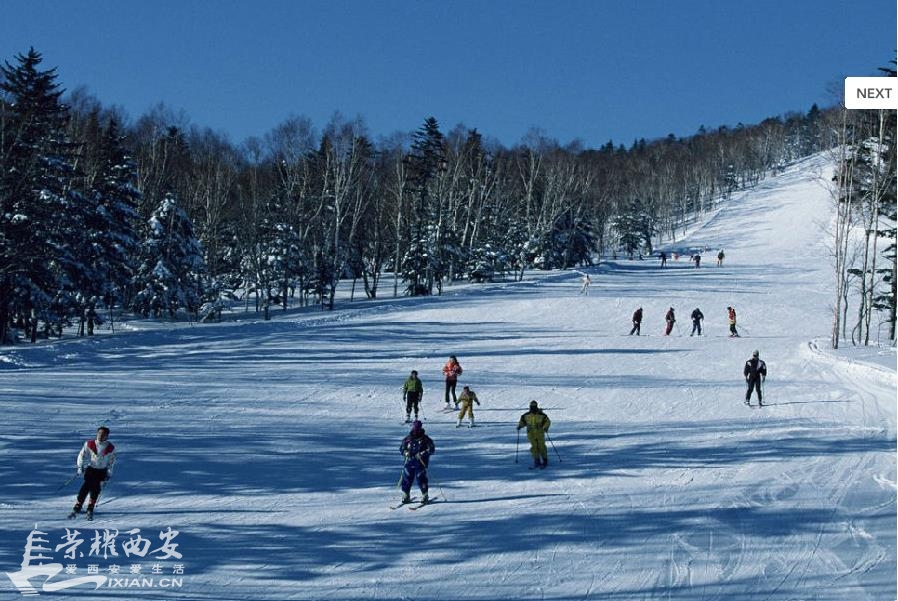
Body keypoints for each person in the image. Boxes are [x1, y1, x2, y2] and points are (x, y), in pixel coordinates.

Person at [68, 426, 116, 520]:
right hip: (91, 469)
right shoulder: (89, 444)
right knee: (86, 486)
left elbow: (111, 461)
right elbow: (81, 455)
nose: (100, 436)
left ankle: (90, 506)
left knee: (96, 488)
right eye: (99, 433)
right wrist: (80, 466)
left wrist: (109, 472)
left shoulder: (110, 447)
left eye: (103, 434)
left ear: (107, 436)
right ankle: (79, 504)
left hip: (102, 471)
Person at [399, 420, 436, 504]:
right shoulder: (408, 439)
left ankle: (424, 495)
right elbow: (402, 448)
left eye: (417, 429)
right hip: (409, 462)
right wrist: (405, 452)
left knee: (420, 478)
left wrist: (423, 453)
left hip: (421, 463)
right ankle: (405, 495)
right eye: (414, 429)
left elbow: (431, 449)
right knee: (407, 478)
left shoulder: (425, 439)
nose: (415, 431)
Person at [517, 400, 551, 468]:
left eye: (534, 406)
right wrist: (520, 426)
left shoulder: (542, 415)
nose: (533, 408)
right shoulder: (526, 415)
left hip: (539, 433)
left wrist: (545, 427)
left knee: (541, 446)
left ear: (536, 406)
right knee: (534, 446)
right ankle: (537, 460)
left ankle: (545, 460)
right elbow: (523, 421)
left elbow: (547, 421)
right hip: (531, 433)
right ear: (530, 407)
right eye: (532, 406)